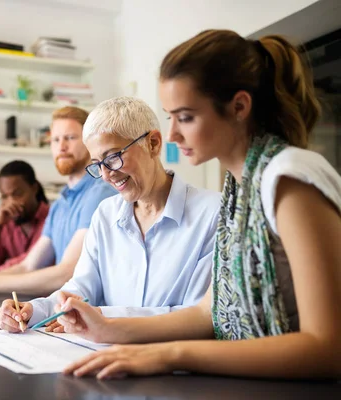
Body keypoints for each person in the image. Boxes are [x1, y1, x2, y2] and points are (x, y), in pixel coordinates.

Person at [51, 30, 341, 380]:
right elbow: (210, 313)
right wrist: (106, 329)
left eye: (185, 117)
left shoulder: (289, 176)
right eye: (170, 116)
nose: (171, 134)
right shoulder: (239, 188)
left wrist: (168, 355)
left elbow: (328, 348)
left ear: (238, 107)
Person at [0, 97, 221, 333]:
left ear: (153, 143)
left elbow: (199, 316)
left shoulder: (212, 214)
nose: (106, 175)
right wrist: (33, 310)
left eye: (113, 157)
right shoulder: (106, 213)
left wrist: (106, 316)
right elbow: (82, 288)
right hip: (106, 355)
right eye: (97, 164)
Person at [0, 106, 116, 295]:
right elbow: (29, 265)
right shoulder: (61, 202)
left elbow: (68, 272)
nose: (61, 146)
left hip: (96, 312)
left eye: (70, 138)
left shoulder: (100, 191)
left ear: (89, 141)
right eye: (55, 140)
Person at [0, 160, 50, 271]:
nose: (11, 203)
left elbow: (32, 263)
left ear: (34, 188)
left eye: (17, 194)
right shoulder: (5, 223)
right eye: (5, 196)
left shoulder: (52, 219)